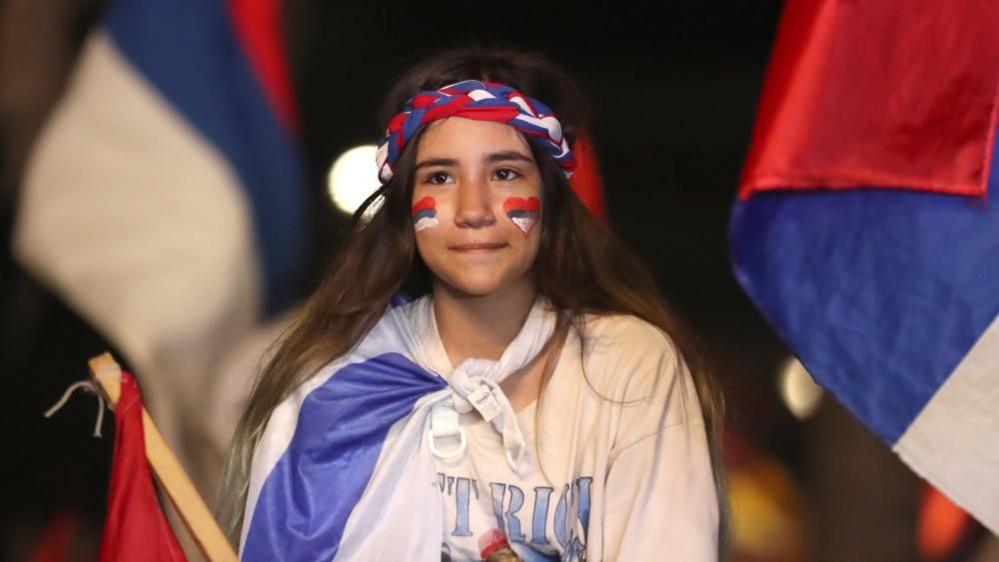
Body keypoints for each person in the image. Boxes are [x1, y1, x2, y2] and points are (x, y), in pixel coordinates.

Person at [218, 47, 726, 561]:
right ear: (404, 205)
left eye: (505, 173)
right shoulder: (335, 386)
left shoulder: (628, 367)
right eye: (440, 176)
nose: (473, 210)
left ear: (549, 196)